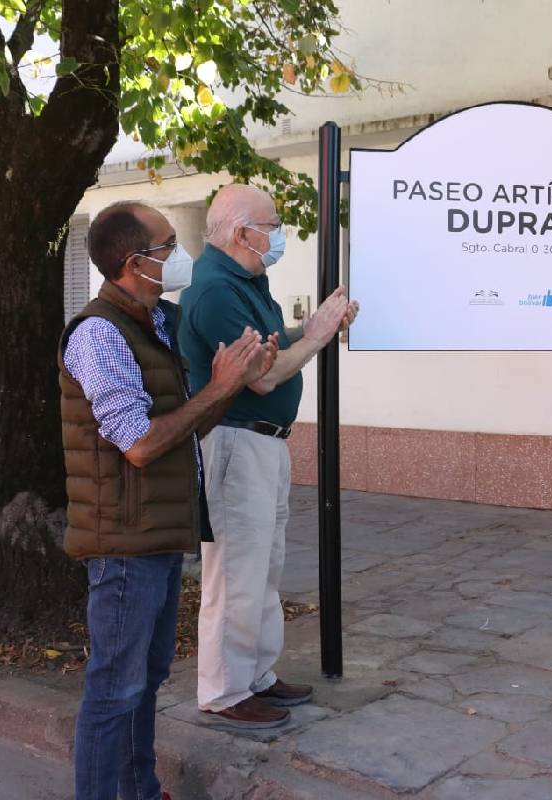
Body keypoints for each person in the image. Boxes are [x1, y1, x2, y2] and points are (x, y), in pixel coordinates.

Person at [60, 201, 275, 799]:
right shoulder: (100, 333)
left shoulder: (158, 321)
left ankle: (142, 789)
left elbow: (181, 429)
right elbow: (141, 444)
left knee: (144, 679)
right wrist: (221, 385)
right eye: (168, 246)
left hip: (157, 530)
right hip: (125, 538)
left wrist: (230, 385)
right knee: (115, 687)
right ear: (136, 262)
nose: (181, 257)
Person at [179, 183, 359, 728]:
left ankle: (255, 674)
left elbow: (277, 341)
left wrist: (313, 326)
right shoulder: (213, 290)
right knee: (236, 571)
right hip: (236, 439)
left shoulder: (247, 279)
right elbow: (264, 374)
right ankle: (224, 689)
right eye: (272, 225)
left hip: (263, 443)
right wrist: (321, 336)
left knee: (263, 567)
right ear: (242, 233)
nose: (277, 234)